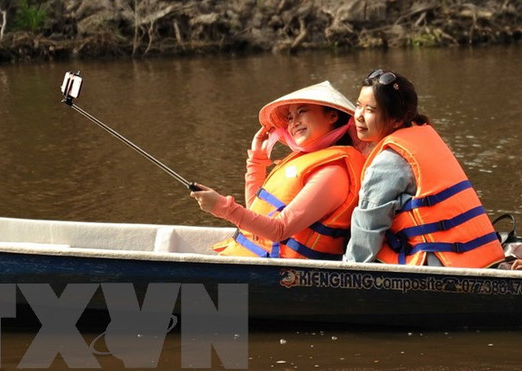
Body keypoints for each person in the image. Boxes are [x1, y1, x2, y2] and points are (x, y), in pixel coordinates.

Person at [343, 69, 505, 268]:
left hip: (441, 263)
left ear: (395, 119)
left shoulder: (389, 160)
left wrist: (349, 268)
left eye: (370, 110)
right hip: (482, 256)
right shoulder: (425, 137)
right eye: (359, 106)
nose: (358, 116)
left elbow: (368, 227)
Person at [191, 81, 366, 260]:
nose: (294, 123)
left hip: (283, 273)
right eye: (290, 117)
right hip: (255, 261)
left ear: (332, 116)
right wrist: (257, 162)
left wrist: (221, 207)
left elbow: (278, 230)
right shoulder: (306, 160)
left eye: (302, 112)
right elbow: (257, 213)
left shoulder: (333, 173)